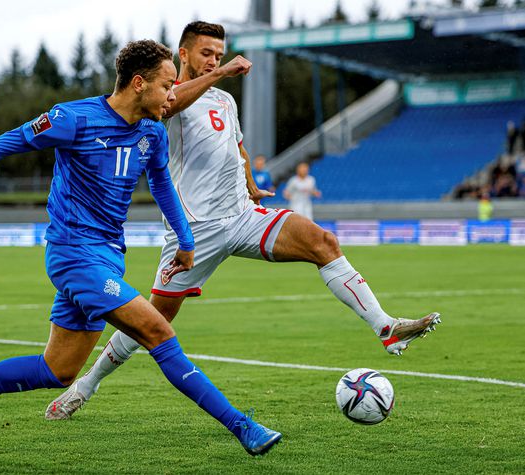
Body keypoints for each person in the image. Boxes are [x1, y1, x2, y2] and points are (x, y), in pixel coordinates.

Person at [46, 21, 441, 421]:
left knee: (323, 242)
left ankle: (384, 326)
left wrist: (252, 185)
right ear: (182, 55)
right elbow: (174, 103)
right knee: (154, 318)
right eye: (206, 54)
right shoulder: (163, 98)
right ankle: (86, 385)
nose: (214, 61)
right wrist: (220, 73)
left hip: (244, 215)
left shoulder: (224, 102)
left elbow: (237, 147)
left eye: (219, 54)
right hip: (197, 231)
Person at [0, 39, 282, 456]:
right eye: (167, 86)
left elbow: (162, 185)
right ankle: (243, 426)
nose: (173, 95)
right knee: (158, 331)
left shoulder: (151, 132)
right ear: (139, 83)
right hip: (73, 255)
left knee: (58, 370)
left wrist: (185, 239)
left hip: (109, 257)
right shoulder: (72, 119)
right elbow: (6, 142)